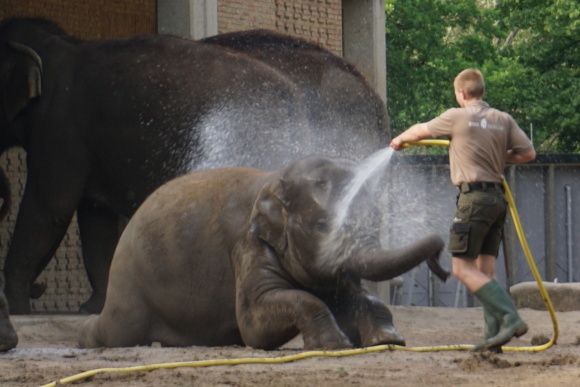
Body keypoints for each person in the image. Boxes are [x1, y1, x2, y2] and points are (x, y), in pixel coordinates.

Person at [390, 68, 536, 351]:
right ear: (481, 91)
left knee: (461, 268)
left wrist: (399, 140)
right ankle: (492, 340)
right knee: (485, 271)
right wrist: (494, 153)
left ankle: (511, 317)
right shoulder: (503, 120)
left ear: (461, 93)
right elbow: (528, 154)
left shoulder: (456, 116)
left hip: (473, 201)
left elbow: (420, 130)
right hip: (496, 201)